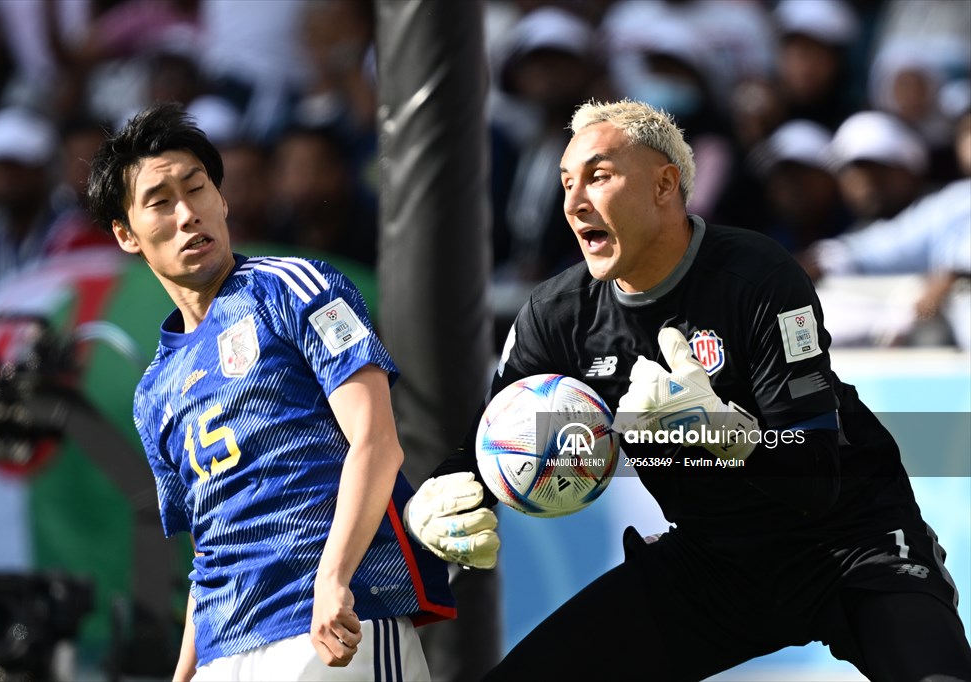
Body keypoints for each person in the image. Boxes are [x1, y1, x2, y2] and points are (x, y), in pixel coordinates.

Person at [403, 99, 971, 681]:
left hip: (851, 544)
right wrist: (442, 495)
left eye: (598, 177)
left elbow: (817, 481)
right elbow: (490, 440)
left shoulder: (759, 274)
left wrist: (729, 436)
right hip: (712, 563)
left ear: (664, 185)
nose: (574, 203)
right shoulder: (558, 313)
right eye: (567, 182)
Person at [85, 102, 455, 681]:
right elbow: (208, 553)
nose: (187, 213)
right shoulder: (153, 391)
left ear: (223, 199)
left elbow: (377, 442)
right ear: (126, 234)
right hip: (223, 652)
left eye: (197, 188)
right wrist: (184, 674)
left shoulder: (299, 287)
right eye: (160, 201)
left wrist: (333, 581)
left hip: (329, 622)